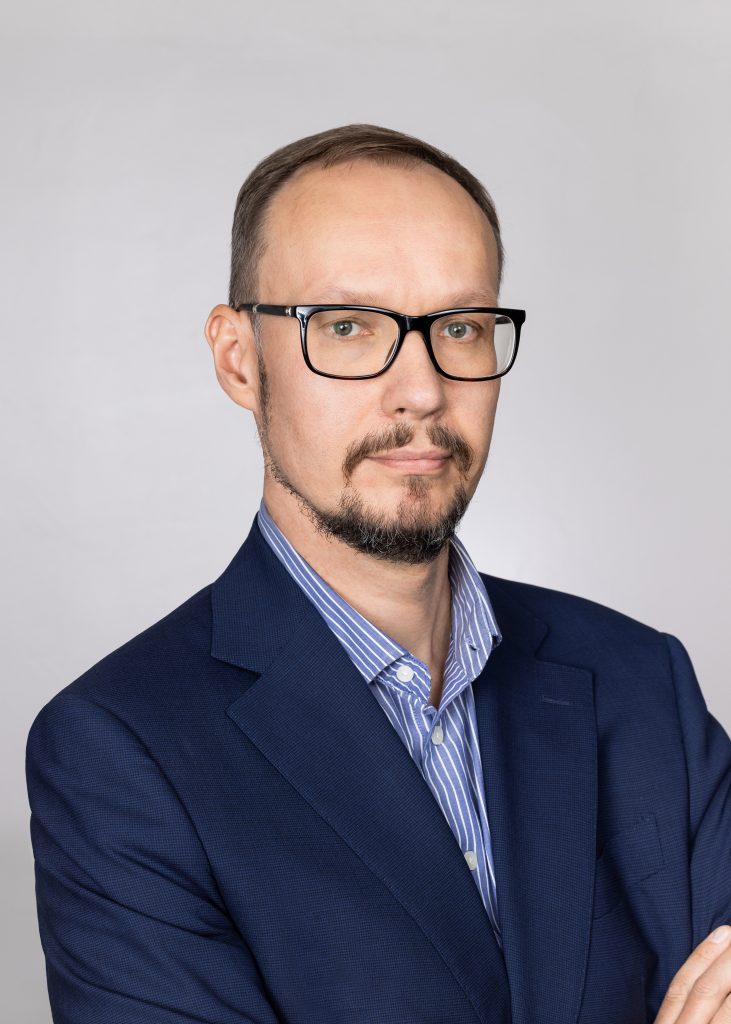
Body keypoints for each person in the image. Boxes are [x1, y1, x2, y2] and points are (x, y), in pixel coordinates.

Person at [25, 123, 731, 1024]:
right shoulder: (120, 749)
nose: (422, 390)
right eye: (349, 327)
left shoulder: (641, 681)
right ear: (238, 358)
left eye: (460, 328)